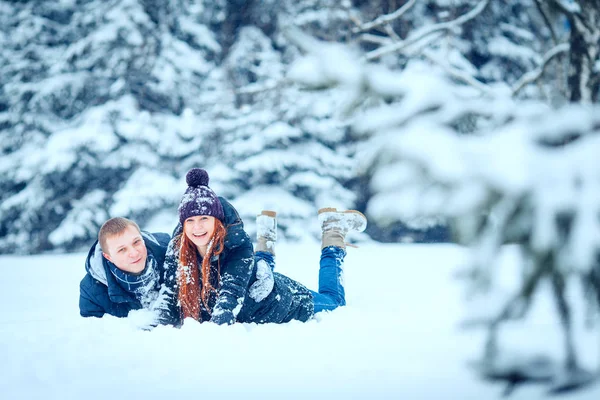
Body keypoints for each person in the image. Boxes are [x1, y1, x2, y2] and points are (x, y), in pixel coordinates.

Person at [158, 167, 366, 326]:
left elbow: (229, 298)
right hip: (258, 284)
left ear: (217, 221)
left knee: (334, 301)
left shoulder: (237, 248)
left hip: (282, 303)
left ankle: (333, 234)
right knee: (256, 270)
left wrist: (214, 331)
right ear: (183, 225)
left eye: (204, 218)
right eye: (190, 221)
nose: (197, 227)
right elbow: (169, 292)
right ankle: (265, 236)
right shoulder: (178, 249)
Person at [79, 217, 170, 318]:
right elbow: (96, 331)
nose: (134, 253)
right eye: (122, 249)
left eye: (136, 242)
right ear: (109, 257)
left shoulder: (171, 251)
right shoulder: (92, 292)